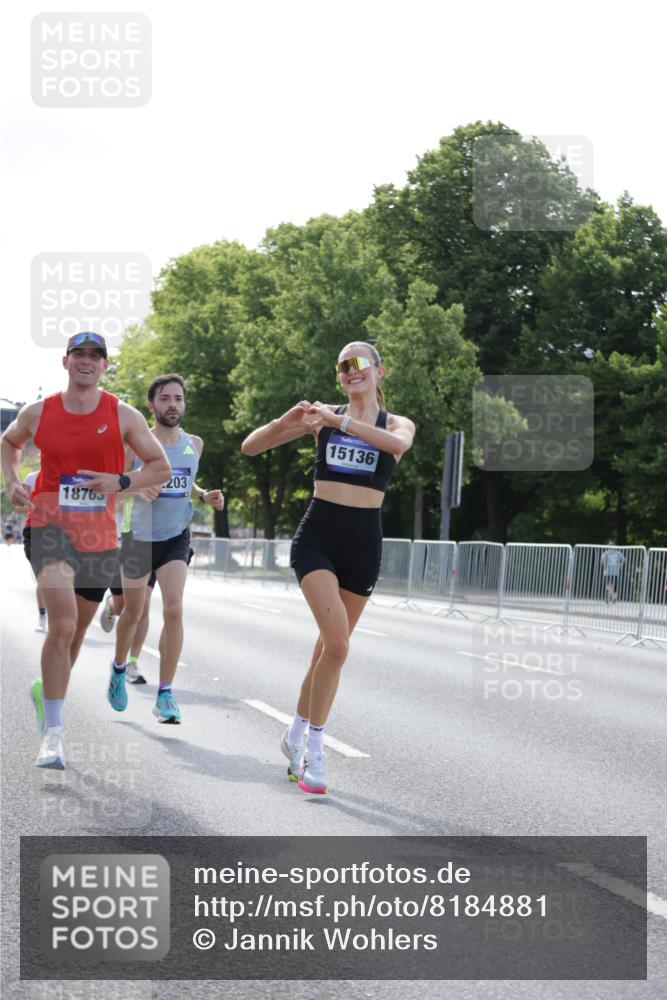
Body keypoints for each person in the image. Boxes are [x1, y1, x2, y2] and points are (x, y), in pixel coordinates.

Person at [241, 341, 415, 794]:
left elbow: (396, 446)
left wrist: (340, 421)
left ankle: (294, 734)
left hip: (363, 545)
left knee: (326, 650)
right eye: (343, 365)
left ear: (379, 371)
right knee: (337, 647)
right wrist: (289, 421)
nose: (351, 370)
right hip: (318, 537)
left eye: (359, 363)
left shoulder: (394, 424)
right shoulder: (321, 420)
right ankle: (316, 753)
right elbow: (250, 448)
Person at [0, 332, 171, 770]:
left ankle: (47, 692)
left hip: (100, 538)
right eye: (80, 353)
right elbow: (9, 443)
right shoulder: (38, 412)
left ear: (104, 366)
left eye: (96, 356)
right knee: (62, 624)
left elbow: (160, 468)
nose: (87, 361)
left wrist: (121, 482)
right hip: (48, 526)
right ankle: (53, 736)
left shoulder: (123, 415)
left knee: (74, 637)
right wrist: (13, 481)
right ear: (66, 361)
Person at [110, 373, 224, 723]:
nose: (172, 404)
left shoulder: (195, 444)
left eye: (178, 398)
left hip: (176, 536)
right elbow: (112, 489)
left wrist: (204, 495)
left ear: (184, 404)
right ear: (152, 405)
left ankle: (165, 695)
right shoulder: (135, 446)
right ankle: (118, 670)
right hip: (138, 537)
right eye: (164, 399)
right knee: (132, 612)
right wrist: (137, 489)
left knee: (173, 610)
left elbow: (185, 481)